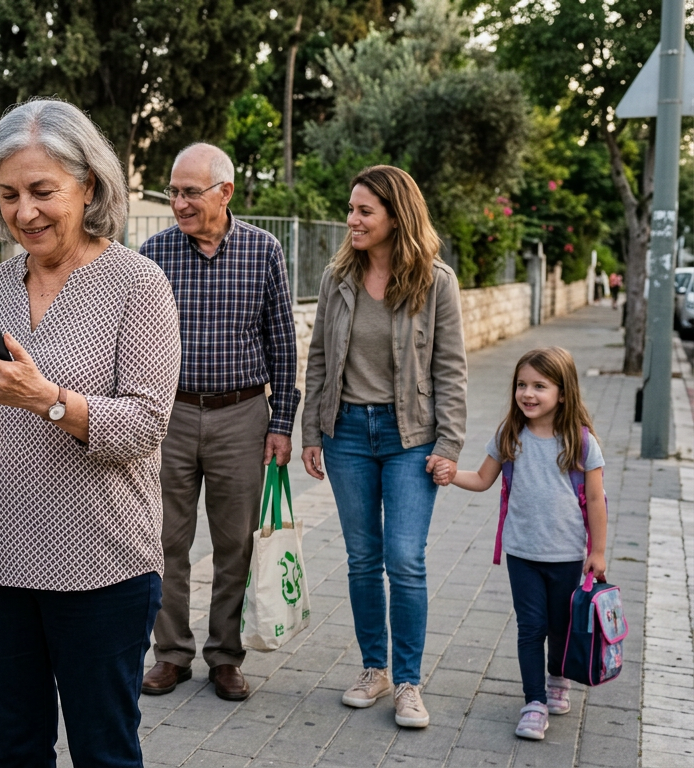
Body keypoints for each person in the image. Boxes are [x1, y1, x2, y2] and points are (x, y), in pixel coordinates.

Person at [0, 99, 182, 767]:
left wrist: (47, 400)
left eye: (42, 191)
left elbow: (146, 426)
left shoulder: (138, 285)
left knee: (104, 752)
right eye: (8, 195)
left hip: (100, 566)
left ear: (87, 185)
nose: (25, 212)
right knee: (15, 750)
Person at [301, 165, 467, 729]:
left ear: (396, 217)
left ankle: (408, 682)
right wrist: (311, 432)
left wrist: (450, 443)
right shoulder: (337, 278)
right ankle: (374, 669)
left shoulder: (436, 282)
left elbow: (451, 369)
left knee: (405, 559)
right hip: (346, 432)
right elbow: (319, 359)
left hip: (410, 438)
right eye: (351, 209)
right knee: (363, 559)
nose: (352, 219)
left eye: (364, 211)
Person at [138, 143, 300, 703]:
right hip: (169, 416)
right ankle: (171, 654)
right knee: (164, 541)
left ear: (225, 192)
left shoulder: (263, 249)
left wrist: (282, 423)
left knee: (236, 545)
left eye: (190, 192)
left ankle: (226, 656)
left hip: (242, 416)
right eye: (173, 192)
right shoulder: (154, 252)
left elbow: (282, 342)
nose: (179, 203)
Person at [446, 347, 607, 741]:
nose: (527, 394)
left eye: (539, 386)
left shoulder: (581, 442)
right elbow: (482, 479)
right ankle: (534, 702)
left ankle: (557, 678)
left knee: (560, 626)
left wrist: (598, 552)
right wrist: (450, 474)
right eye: (522, 385)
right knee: (531, 627)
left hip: (567, 555)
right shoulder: (509, 434)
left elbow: (596, 499)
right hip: (522, 553)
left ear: (563, 393)